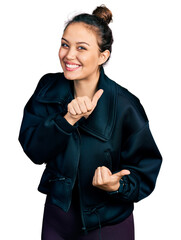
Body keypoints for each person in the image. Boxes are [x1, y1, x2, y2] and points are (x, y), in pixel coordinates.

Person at [19, 5, 162, 240]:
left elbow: (146, 168)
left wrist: (117, 186)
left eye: (81, 48)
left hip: (107, 223)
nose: (69, 55)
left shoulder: (125, 104)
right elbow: (34, 150)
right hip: (57, 217)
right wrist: (67, 120)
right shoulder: (47, 88)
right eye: (65, 44)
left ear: (103, 56)